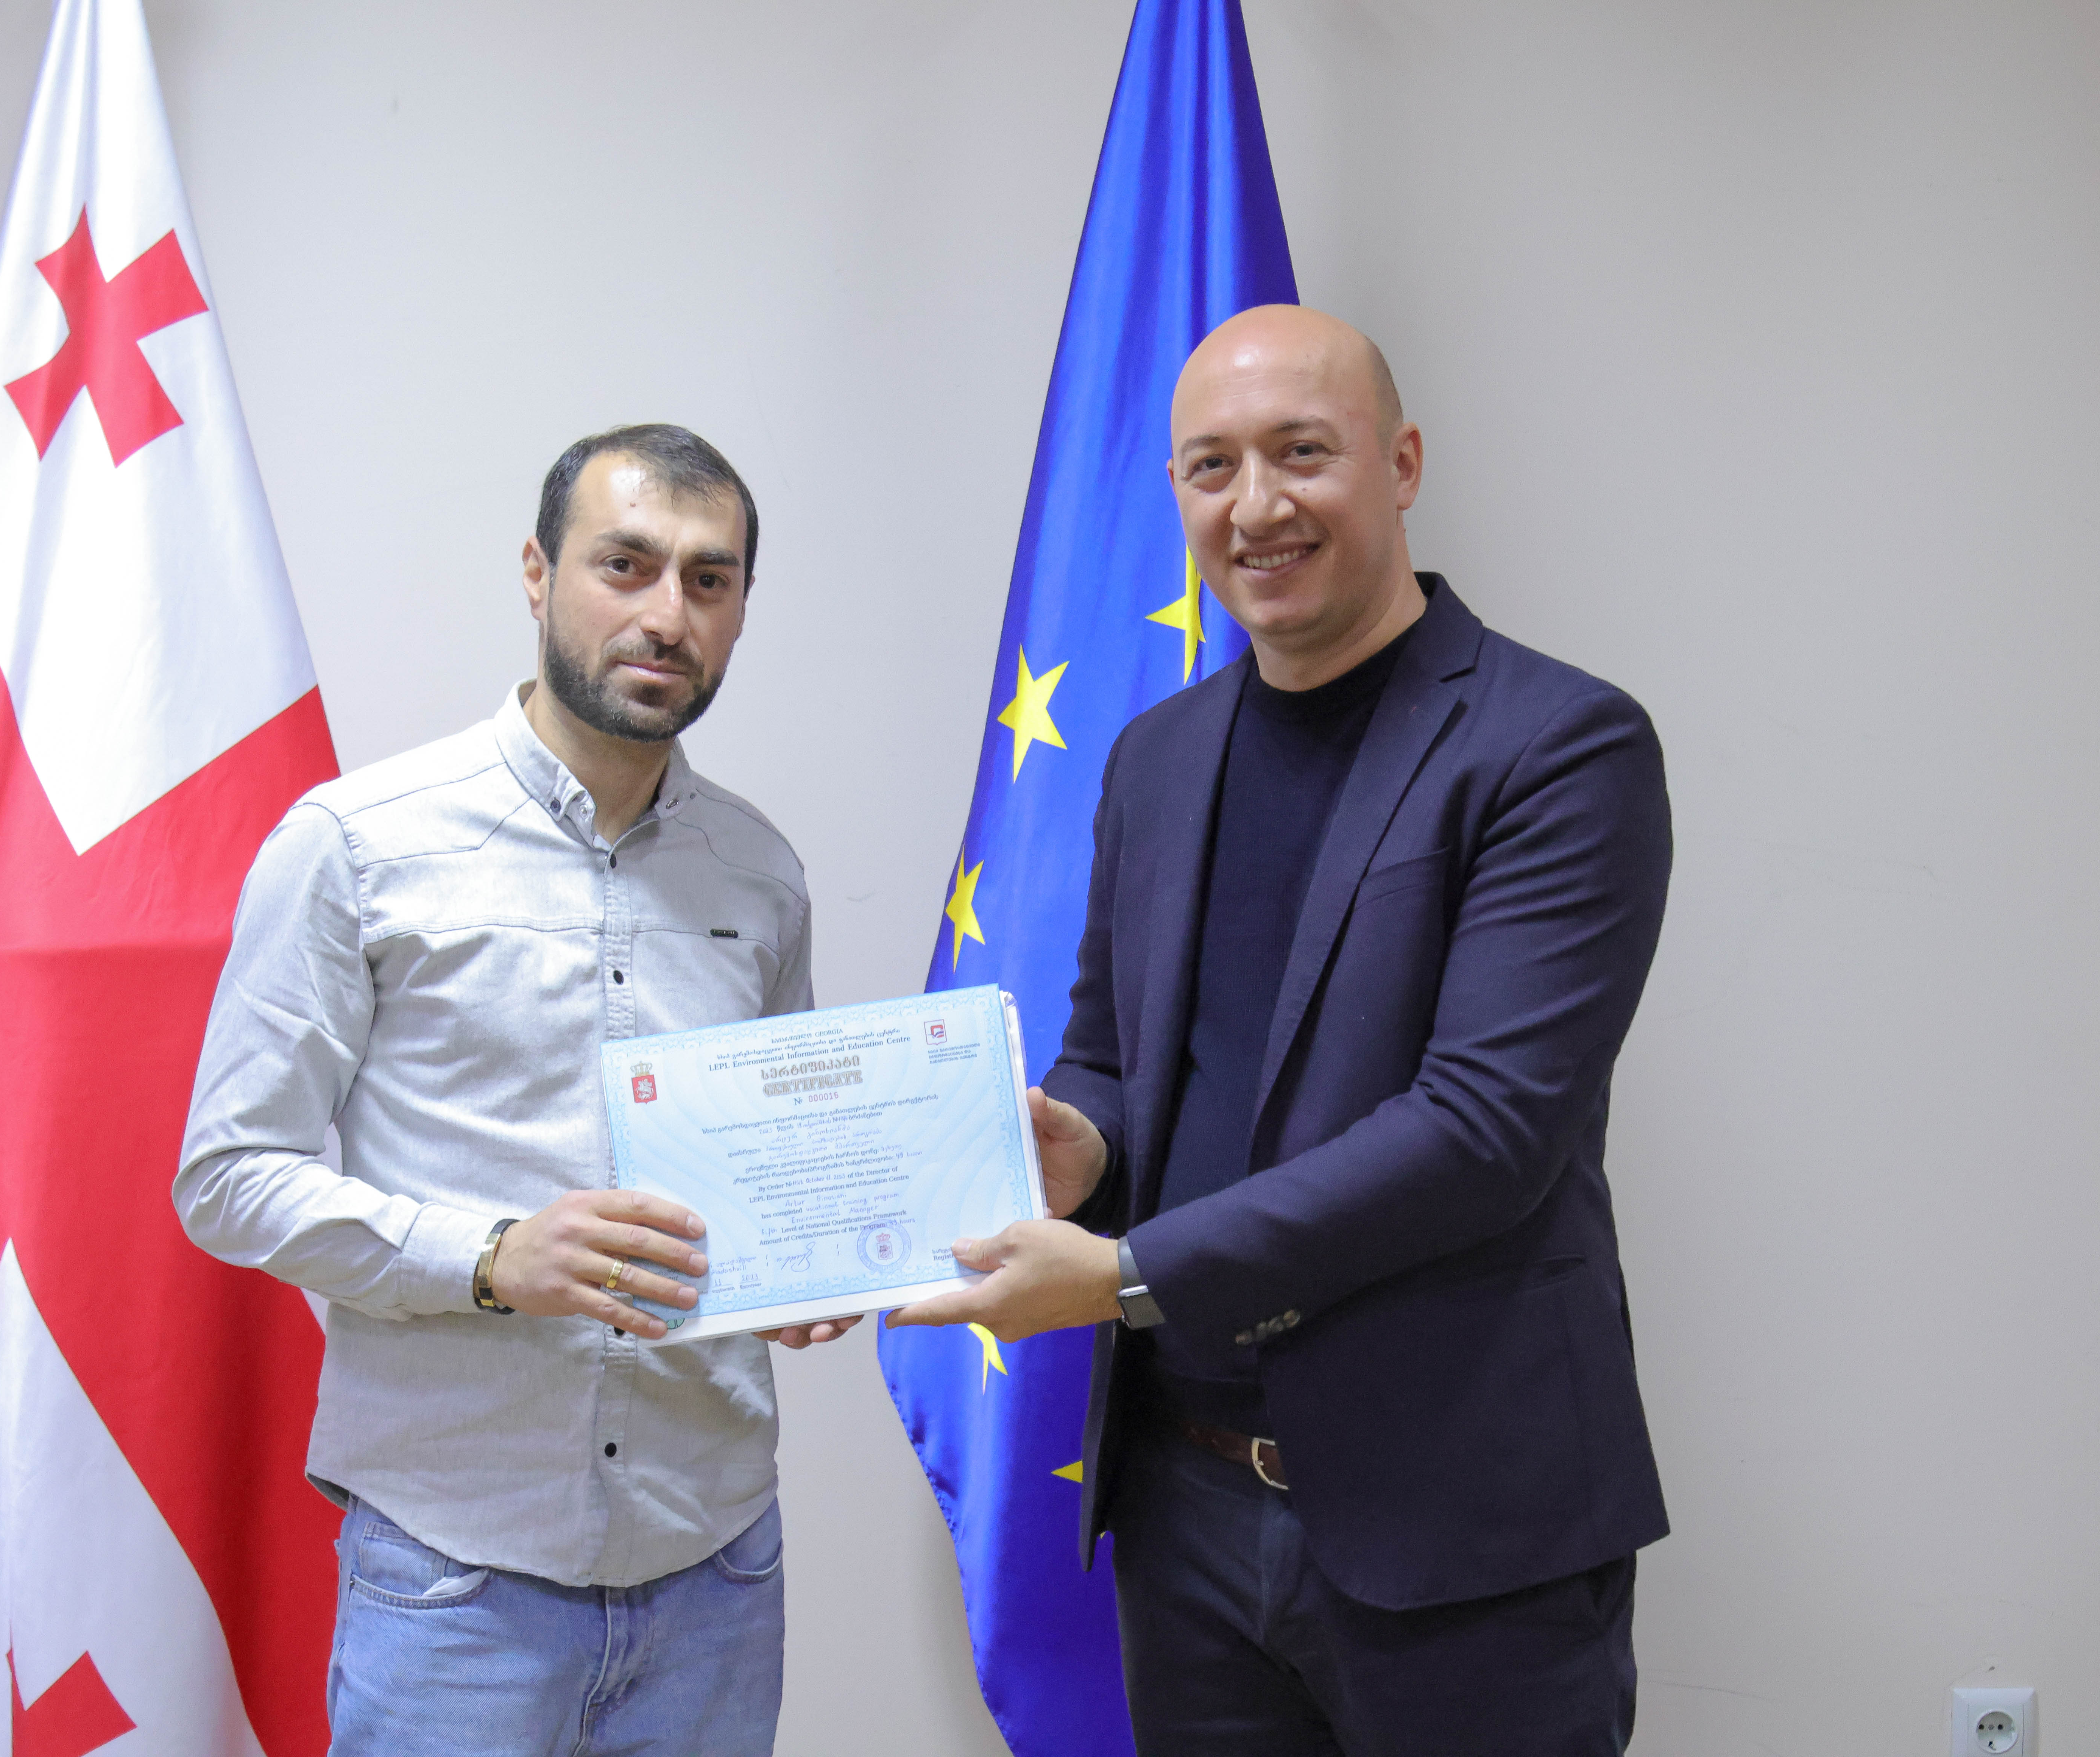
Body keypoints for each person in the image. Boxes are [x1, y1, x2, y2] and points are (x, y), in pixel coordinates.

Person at [887, 306, 1672, 1755]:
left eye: (1302, 453)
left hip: (1461, 1521)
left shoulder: (1559, 746)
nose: (1256, 507)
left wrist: (1125, 1273)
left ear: (1402, 463)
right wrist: (1077, 1145)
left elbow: (1485, 1132)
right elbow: (1111, 1053)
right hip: (1183, 1506)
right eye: (1213, 466)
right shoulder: (1158, 757)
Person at [176, 423, 857, 1757]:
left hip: (716, 1570)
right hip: (455, 1582)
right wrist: (491, 1258)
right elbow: (230, 1178)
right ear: (539, 575)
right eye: (626, 565)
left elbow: (775, 1168)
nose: (667, 615)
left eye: (708, 580)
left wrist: (804, 1264)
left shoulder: (761, 873)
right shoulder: (356, 845)